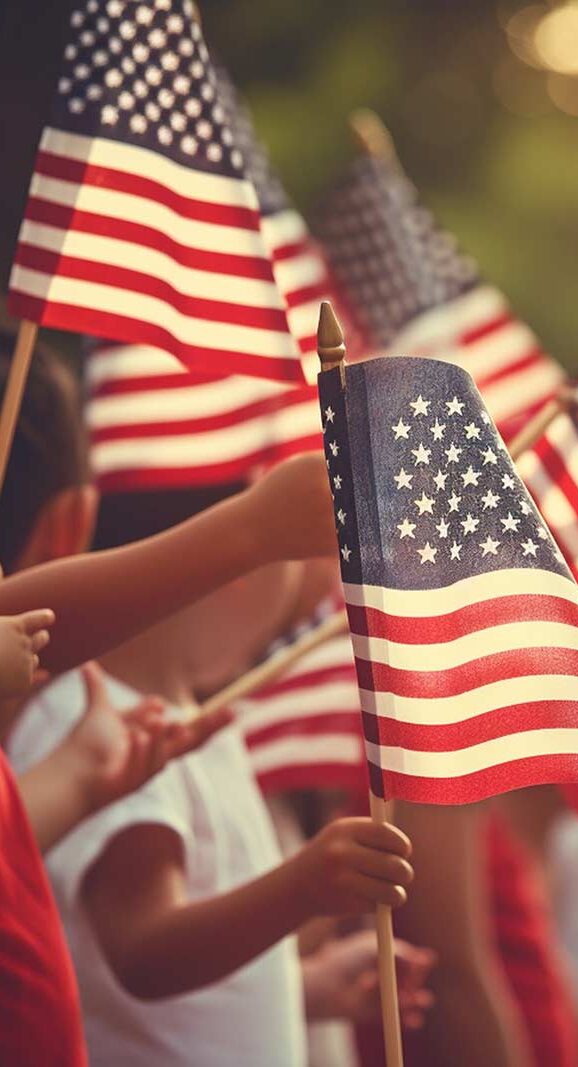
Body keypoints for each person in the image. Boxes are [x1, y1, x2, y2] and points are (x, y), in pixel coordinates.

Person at [0, 338, 416, 1066]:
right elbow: (144, 955)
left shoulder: (140, 727)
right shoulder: (98, 707)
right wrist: (301, 887)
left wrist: (299, 983)